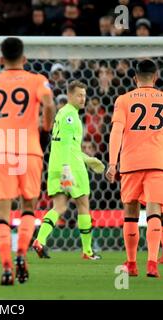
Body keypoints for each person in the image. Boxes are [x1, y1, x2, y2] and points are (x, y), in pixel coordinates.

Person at [0, 37, 55, 285]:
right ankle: (21, 253)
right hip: (29, 149)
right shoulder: (37, 80)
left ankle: (6, 266)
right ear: (24, 58)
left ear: (1, 59)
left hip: (3, 151)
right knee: (28, 207)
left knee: (2, 212)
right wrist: (44, 128)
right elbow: (50, 104)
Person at [32, 81, 104, 261]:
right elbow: (65, 143)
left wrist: (88, 159)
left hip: (56, 165)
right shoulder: (70, 115)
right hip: (70, 167)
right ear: (70, 95)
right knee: (83, 205)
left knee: (59, 207)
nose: (83, 99)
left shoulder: (61, 114)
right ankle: (87, 251)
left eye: (84, 95)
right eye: (79, 95)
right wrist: (67, 169)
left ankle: (39, 241)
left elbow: (68, 145)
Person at [106, 59, 163, 278]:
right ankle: (152, 263)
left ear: (135, 78)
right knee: (154, 211)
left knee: (130, 213)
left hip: (131, 164)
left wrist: (112, 163)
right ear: (155, 78)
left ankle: (131, 264)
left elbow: (116, 131)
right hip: (157, 162)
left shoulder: (124, 99)